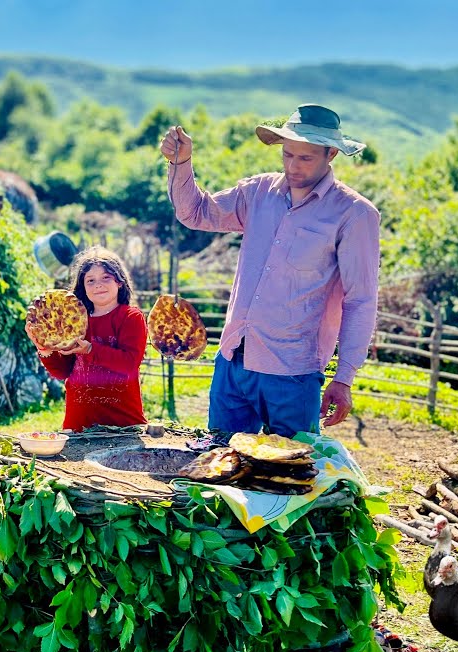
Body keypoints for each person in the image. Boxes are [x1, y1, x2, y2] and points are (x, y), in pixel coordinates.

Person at [161, 104, 380, 437]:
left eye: (305, 158)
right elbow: (195, 213)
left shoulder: (354, 214)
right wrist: (181, 162)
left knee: (288, 476)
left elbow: (360, 300)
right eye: (287, 154)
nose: (292, 166)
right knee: (221, 465)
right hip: (233, 359)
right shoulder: (259, 192)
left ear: (331, 154)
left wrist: (344, 377)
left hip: (292, 372)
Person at [27, 246, 147, 431]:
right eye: (90, 280)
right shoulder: (71, 323)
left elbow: (130, 364)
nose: (98, 284)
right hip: (78, 425)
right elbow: (62, 372)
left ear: (120, 282)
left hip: (123, 424)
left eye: (106, 277)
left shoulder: (131, 317)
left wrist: (91, 350)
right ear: (83, 286)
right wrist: (45, 349)